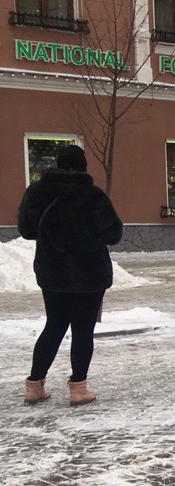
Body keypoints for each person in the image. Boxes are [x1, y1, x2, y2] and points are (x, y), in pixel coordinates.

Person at [17, 144, 123, 406]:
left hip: (52, 272)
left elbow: (27, 231)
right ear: (83, 166)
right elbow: (113, 234)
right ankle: (78, 389)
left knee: (54, 325)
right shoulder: (93, 196)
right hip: (90, 275)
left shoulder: (37, 192)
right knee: (83, 330)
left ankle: (34, 386)